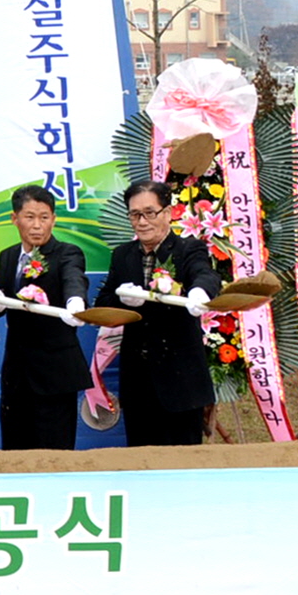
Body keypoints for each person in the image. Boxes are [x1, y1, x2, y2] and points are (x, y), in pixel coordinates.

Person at [95, 179, 219, 446]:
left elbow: (205, 274)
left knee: (184, 465)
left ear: (168, 213)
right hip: (138, 382)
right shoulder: (123, 255)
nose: (142, 221)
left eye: (149, 213)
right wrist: (124, 300)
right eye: (134, 214)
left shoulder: (188, 248)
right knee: (141, 464)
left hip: (181, 381)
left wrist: (199, 293)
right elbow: (103, 301)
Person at [0, 185, 90, 451]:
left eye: (44, 217)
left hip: (55, 375)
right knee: (15, 451)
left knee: (55, 454)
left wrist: (76, 302)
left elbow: (74, 278)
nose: (37, 225)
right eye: (29, 217)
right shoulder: (8, 256)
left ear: (54, 218)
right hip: (16, 375)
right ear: (14, 219)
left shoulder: (67, 253)